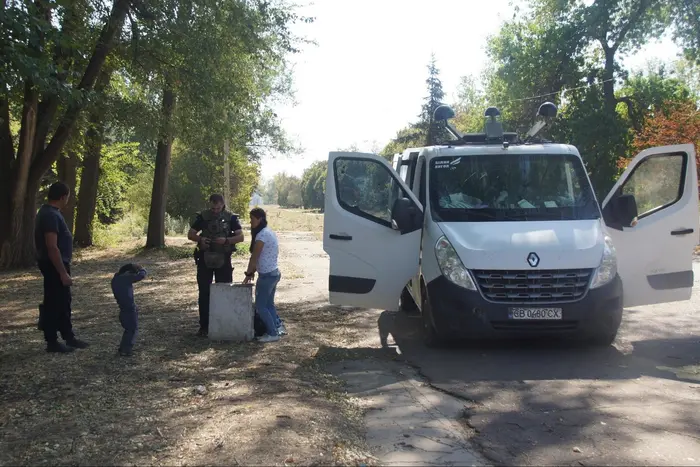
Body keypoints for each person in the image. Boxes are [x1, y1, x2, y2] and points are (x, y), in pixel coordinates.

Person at [34, 181, 89, 353]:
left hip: (55, 264)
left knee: (64, 301)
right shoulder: (50, 215)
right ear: (63, 196)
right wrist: (62, 272)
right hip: (54, 265)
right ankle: (52, 341)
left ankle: (68, 336)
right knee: (54, 302)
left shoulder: (49, 213)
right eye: (68, 197)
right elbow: (52, 246)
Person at [187, 194, 244, 337]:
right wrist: (201, 239)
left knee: (224, 291)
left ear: (223, 205)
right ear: (210, 205)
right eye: (213, 208)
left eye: (218, 208)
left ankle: (224, 324)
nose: (215, 211)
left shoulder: (231, 217)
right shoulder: (202, 216)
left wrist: (226, 240)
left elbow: (241, 237)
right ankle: (204, 327)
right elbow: (190, 234)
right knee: (204, 293)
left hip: (224, 258)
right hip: (205, 259)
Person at [243, 207, 285, 343]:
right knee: (269, 304)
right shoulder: (268, 232)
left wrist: (249, 273)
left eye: (252, 220)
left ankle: (272, 333)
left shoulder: (261, 236)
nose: (251, 223)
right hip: (274, 272)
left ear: (259, 219)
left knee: (261, 307)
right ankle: (278, 327)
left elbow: (254, 258)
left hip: (266, 275)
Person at [111, 263, 148, 356]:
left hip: (124, 309)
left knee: (128, 330)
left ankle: (123, 348)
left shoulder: (116, 279)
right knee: (132, 330)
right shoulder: (125, 278)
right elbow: (141, 275)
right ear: (127, 272)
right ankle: (125, 350)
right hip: (129, 309)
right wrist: (142, 269)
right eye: (132, 273)